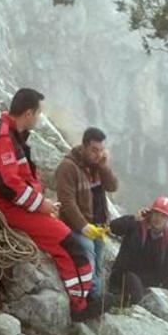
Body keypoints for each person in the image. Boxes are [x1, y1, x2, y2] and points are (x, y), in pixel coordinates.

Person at [0, 88, 103, 321]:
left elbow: (20, 178)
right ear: (28, 113)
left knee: (71, 244)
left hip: (21, 205)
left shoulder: (12, 135)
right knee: (70, 246)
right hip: (8, 207)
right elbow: (8, 186)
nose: (39, 118)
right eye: (38, 113)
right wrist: (41, 205)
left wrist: (41, 203)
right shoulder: (3, 137)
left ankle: (83, 300)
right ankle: (79, 306)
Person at [108, 196, 168, 328]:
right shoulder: (137, 224)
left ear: (167, 219)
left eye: (163, 216)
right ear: (151, 212)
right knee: (136, 294)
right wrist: (132, 219)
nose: (158, 218)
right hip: (127, 271)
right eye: (157, 213)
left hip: (149, 275)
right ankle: (109, 301)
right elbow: (113, 227)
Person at [55, 127, 118, 299]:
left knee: (97, 264)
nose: (98, 155)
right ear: (83, 147)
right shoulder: (68, 167)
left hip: (98, 226)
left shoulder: (97, 167)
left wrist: (104, 167)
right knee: (88, 258)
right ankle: (93, 298)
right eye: (94, 150)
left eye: (101, 150)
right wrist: (83, 227)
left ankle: (94, 297)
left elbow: (113, 186)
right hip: (77, 227)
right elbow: (67, 202)